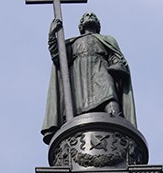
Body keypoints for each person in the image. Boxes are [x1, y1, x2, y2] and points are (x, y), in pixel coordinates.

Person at [43, 12, 137, 143]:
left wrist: (118, 65)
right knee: (81, 116)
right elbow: (58, 57)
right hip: (79, 82)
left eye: (93, 16)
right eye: (86, 16)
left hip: (102, 73)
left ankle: (119, 135)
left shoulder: (107, 39)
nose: (90, 15)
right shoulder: (72, 43)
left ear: (98, 25)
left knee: (110, 101)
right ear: (81, 26)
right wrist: (52, 35)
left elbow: (116, 57)